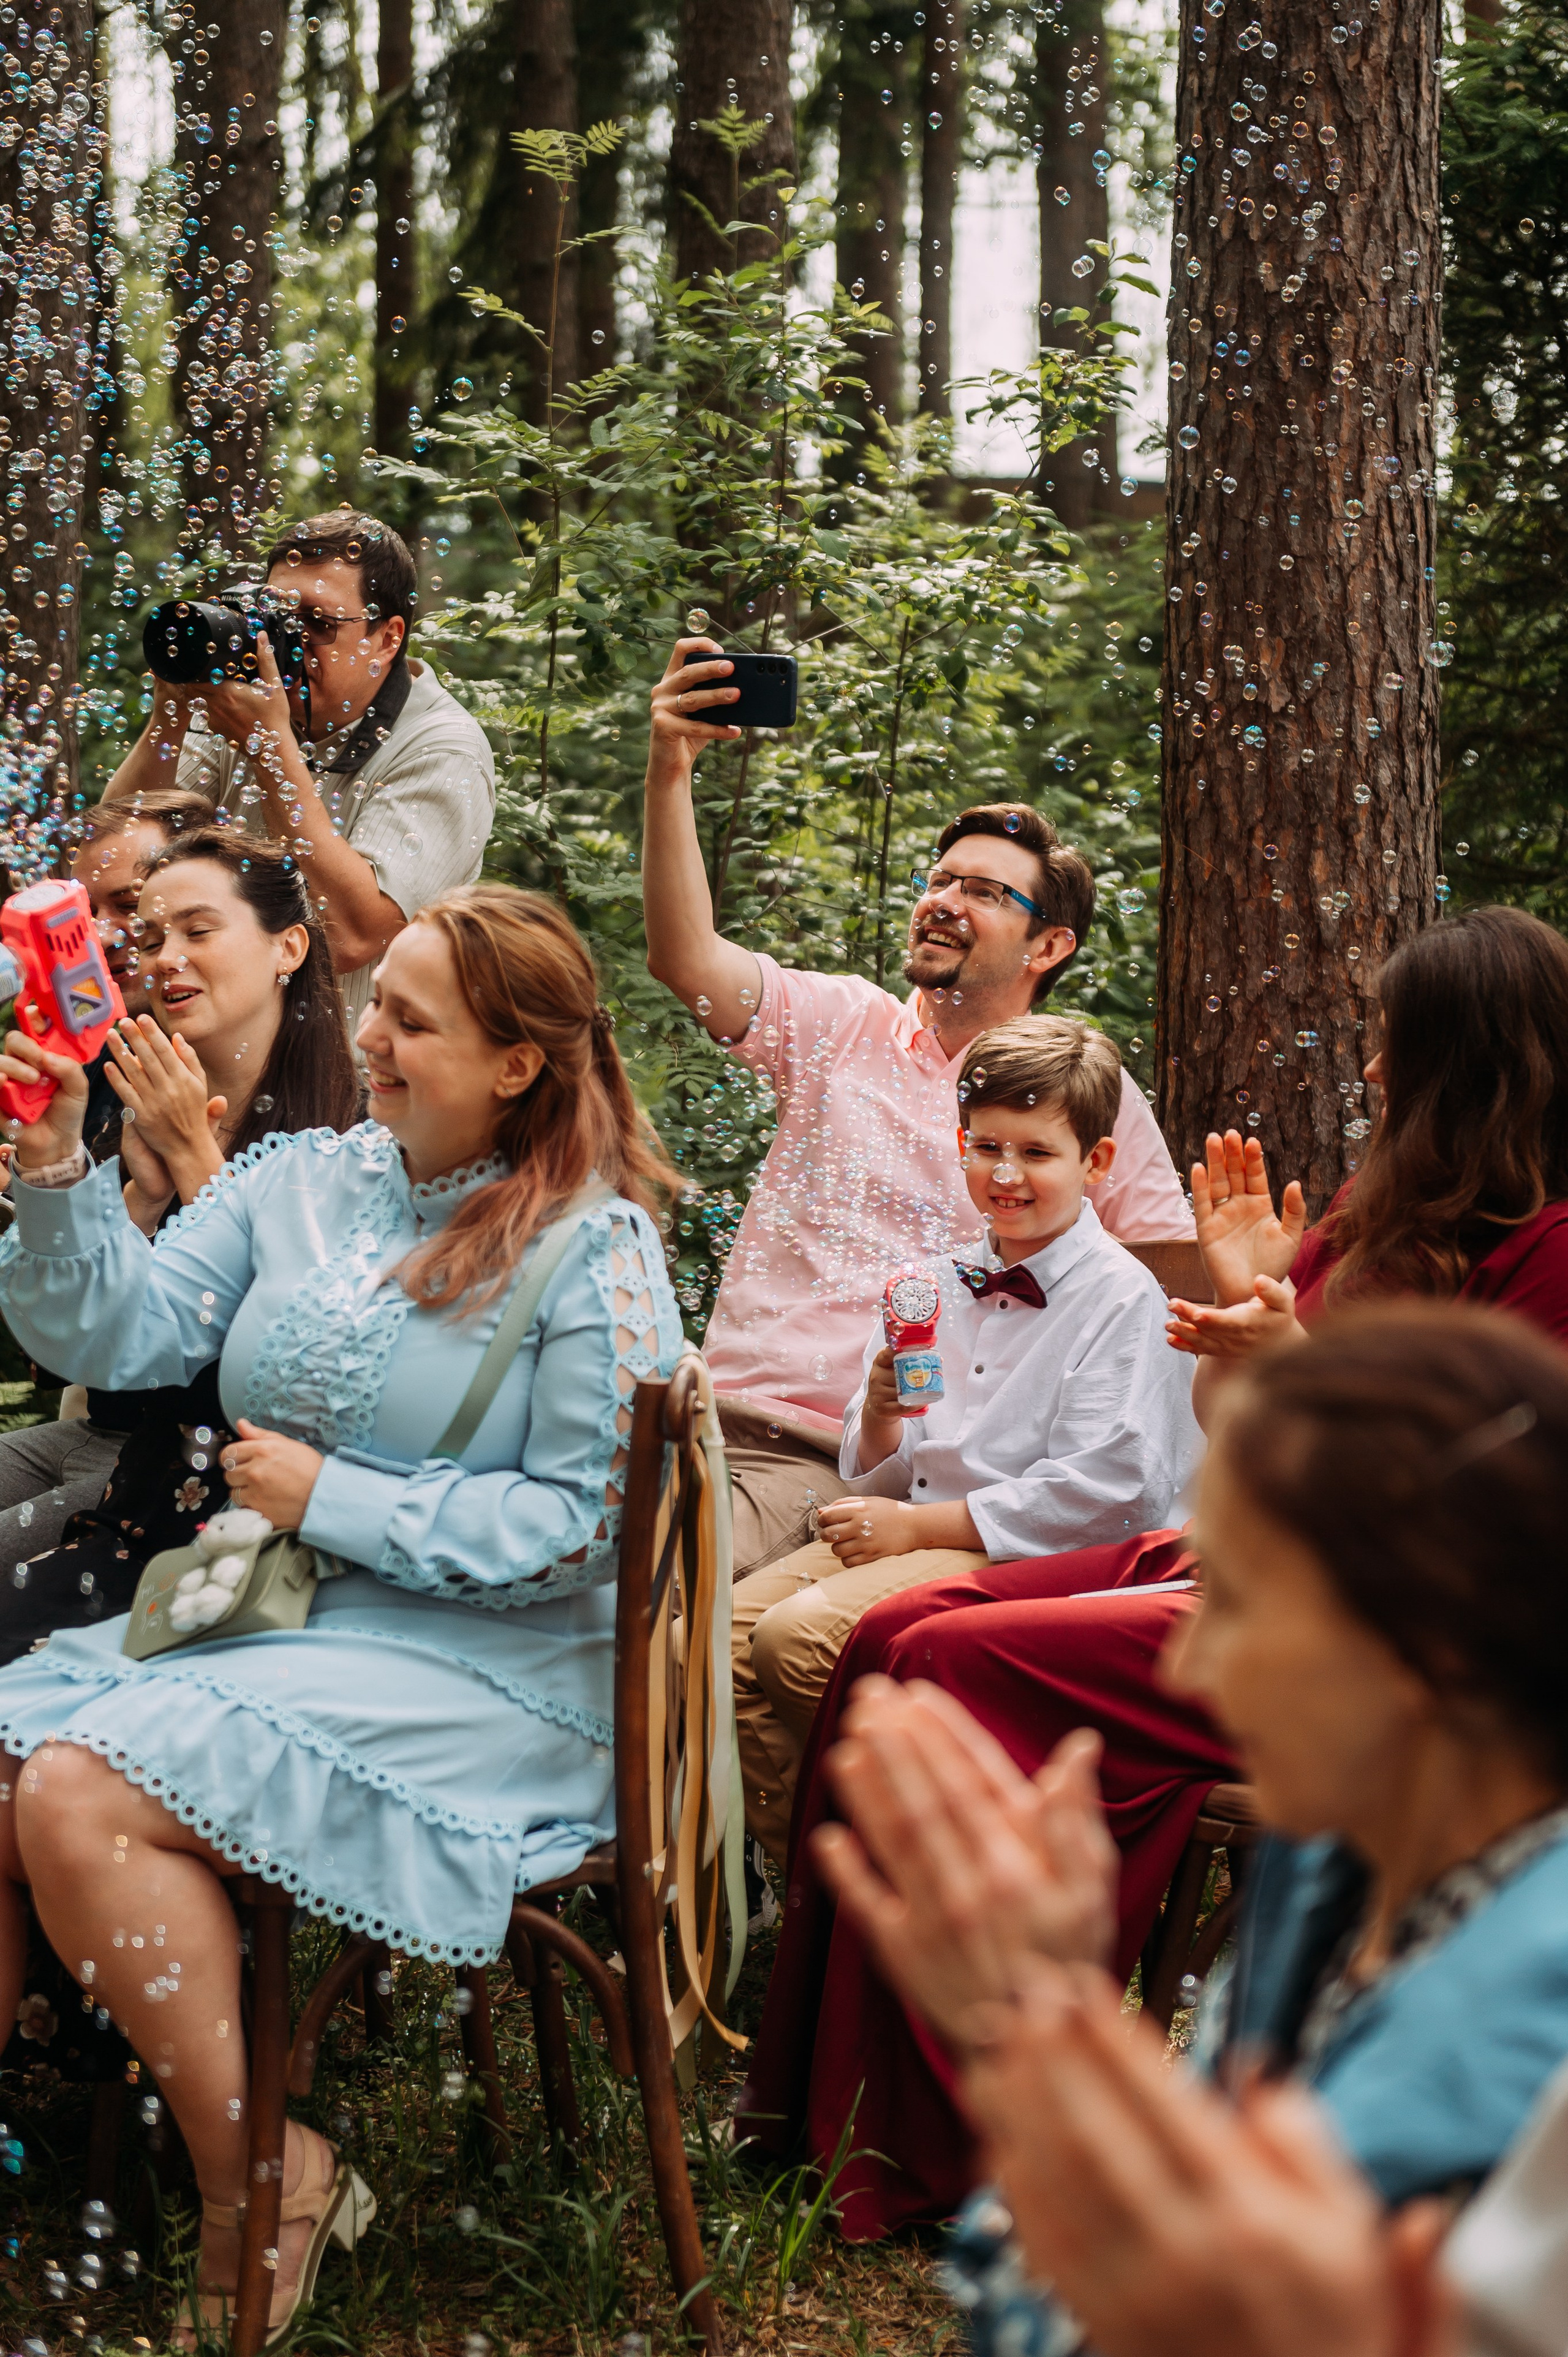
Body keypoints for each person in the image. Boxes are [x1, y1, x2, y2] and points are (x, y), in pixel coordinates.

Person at [737, 901, 1568, 2239]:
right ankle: (821, 2115)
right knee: (889, 1642)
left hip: (1380, 1645)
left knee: (945, 1656)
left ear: (1469, 1062)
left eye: (1387, 1045)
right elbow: (1241, 1454)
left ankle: (944, 2147)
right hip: (1232, 1558)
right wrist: (1249, 1334)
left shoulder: (1553, 1259)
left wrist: (1287, 1361)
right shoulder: (1373, 1212)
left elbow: (1471, 1527)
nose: (1364, 1073)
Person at [0, 882, 682, 2339]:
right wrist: (57, 1175)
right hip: (275, 1614)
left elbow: (582, 1531)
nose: (370, 1037)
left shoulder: (593, 1248)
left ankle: (269, 2175)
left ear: (517, 1062)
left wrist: (338, 1501)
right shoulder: (298, 1180)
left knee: (72, 1792)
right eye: (380, 1005)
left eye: (413, 1020)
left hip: (497, 1675)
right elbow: (112, 1333)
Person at [817, 1304, 1568, 2356]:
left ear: (1426, 1647)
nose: (1186, 1666)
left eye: (1240, 1601)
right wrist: (1033, 2018)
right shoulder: (1334, 1862)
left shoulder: (1533, 2042)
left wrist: (1043, 2040)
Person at [642, 638, 1198, 1573]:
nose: (944, 900)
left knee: (640, 1587)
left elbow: (1162, 1284)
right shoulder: (836, 1022)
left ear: (1049, 944)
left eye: (984, 891)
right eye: (938, 880)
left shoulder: (1078, 1092)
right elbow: (684, 958)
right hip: (699, 1413)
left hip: (854, 1457)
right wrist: (669, 769)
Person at [731, 1013, 1200, 1865]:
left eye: (1036, 1151)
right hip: (917, 1525)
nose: (1006, 1173)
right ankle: (812, 1884)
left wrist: (917, 1529)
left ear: (1096, 1162)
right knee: (726, 1637)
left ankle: (922, 1861)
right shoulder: (932, 1284)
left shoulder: (1122, 1298)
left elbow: (1110, 1494)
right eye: (987, 1147)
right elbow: (887, 1464)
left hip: (1032, 1560)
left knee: (794, 1639)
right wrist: (876, 1416)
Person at [0, 830, 363, 1667]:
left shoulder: (357, 1142)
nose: (165, 957)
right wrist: (128, 1191)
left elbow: (320, 1360)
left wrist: (199, 1165)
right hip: (137, 1476)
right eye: (151, 936)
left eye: (199, 932)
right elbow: (97, 1343)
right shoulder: (142, 1093)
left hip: (242, 1527)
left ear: (289, 946)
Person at [100, 509, 496, 1034]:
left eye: (319, 624)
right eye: (274, 617)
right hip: (221, 1061)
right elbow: (119, 850)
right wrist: (169, 717)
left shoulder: (442, 748)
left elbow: (353, 935)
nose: (286, 640)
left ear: (388, 638)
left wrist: (270, 749)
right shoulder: (245, 705)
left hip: (357, 1082)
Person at [0, 789, 217, 1566]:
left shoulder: (289, 1100)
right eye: (87, 911)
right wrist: (39, 1182)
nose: (108, 936)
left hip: (184, 1462)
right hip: (93, 1419)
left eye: (135, 907)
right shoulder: (90, 1057)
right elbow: (64, 1335)